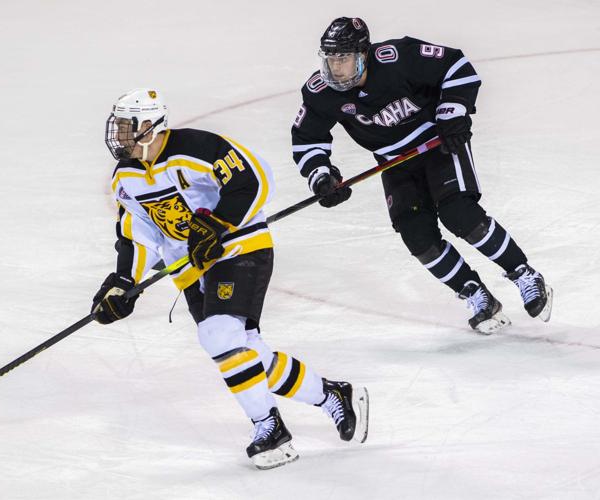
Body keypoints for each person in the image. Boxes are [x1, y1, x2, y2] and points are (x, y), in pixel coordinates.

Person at [93, 88, 369, 469]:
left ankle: (269, 428)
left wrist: (217, 222)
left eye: (126, 127)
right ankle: (330, 395)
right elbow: (136, 232)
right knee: (244, 351)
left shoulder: (196, 147)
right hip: (190, 269)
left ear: (149, 126)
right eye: (118, 126)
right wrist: (123, 282)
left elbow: (252, 179)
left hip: (238, 249)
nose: (119, 135)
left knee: (218, 334)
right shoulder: (125, 177)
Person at [290, 17, 553, 334]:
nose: (336, 67)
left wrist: (452, 111)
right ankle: (475, 293)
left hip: (438, 144)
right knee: (416, 234)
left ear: (363, 54)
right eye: (330, 59)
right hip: (393, 162)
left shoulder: (397, 58)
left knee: (459, 214)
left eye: (343, 58)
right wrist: (322, 177)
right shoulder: (321, 92)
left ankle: (524, 273)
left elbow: (455, 65)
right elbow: (308, 139)